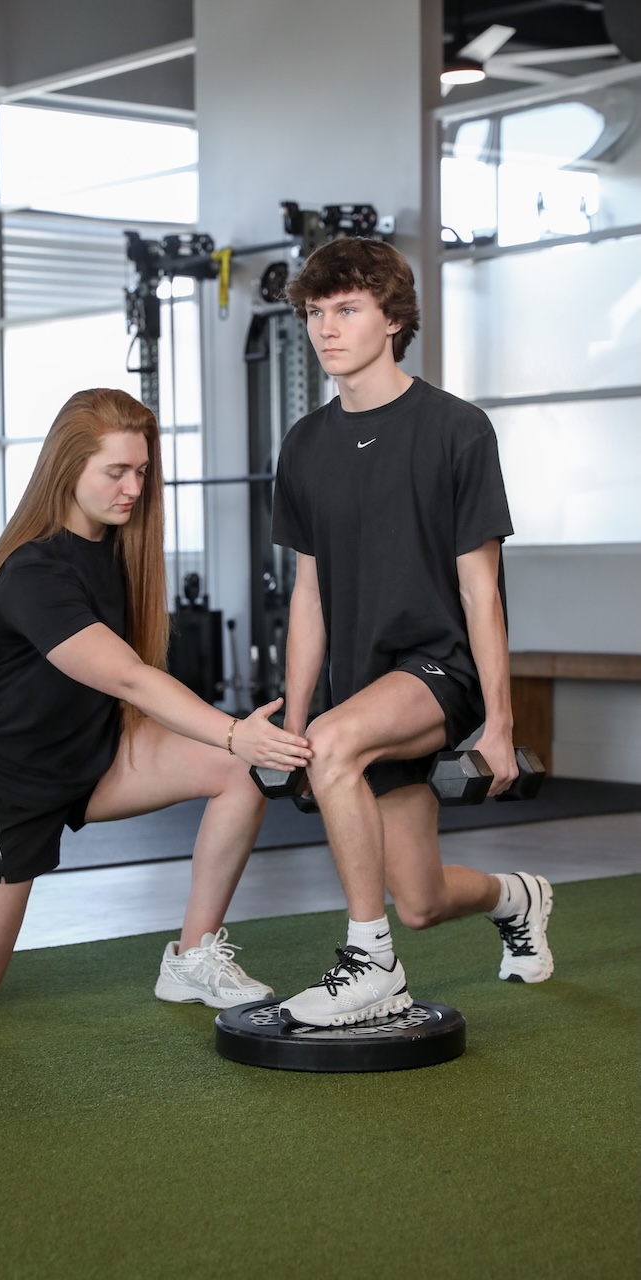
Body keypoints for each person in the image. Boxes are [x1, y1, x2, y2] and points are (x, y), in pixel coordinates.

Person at [0, 388, 311, 1010]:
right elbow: (129, 678)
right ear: (68, 467)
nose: (133, 488)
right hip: (7, 783)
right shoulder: (33, 571)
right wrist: (236, 730)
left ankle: (192, 957)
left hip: (96, 759)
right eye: (116, 472)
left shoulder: (120, 549)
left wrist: (240, 747)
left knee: (239, 771)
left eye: (141, 472)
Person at [270, 237, 553, 1028]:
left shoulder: (456, 429)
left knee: (335, 744)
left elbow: (479, 590)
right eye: (314, 312)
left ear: (392, 318)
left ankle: (371, 965)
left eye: (346, 309)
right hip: (363, 685)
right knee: (420, 899)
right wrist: (294, 718)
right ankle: (518, 898)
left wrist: (499, 724)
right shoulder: (304, 445)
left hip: (441, 668)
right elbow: (308, 594)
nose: (325, 329)